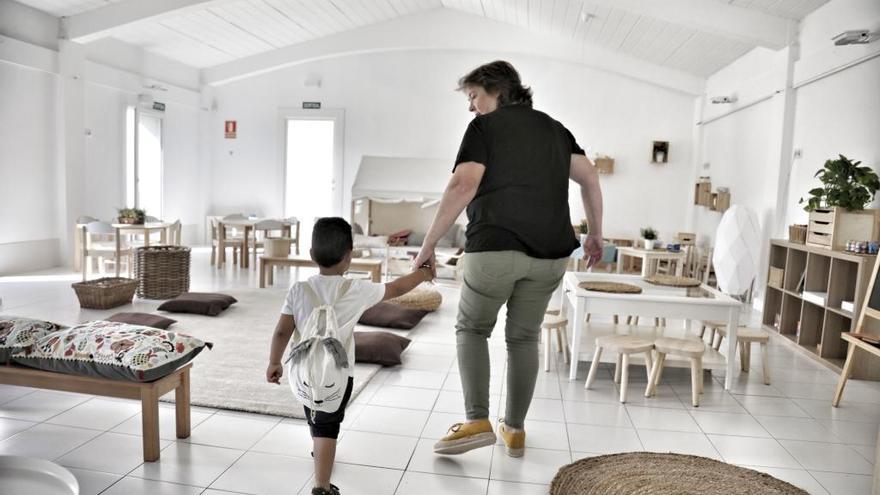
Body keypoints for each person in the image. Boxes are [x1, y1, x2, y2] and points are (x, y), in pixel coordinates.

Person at [413, 60, 603, 457]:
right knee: (523, 338)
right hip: (550, 256)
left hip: (495, 249)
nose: (471, 108)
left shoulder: (485, 128)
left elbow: (463, 184)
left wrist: (427, 245)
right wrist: (595, 235)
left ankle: (477, 421)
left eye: (473, 97)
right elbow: (589, 177)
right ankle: (514, 430)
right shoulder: (556, 129)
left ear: (496, 91)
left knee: (472, 329)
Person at [267, 217, 433, 495]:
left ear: (311, 255)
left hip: (303, 373)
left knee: (315, 414)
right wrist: (423, 274)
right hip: (338, 376)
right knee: (328, 428)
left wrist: (274, 361)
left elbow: (282, 332)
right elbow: (396, 289)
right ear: (349, 257)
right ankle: (321, 485)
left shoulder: (298, 290)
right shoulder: (357, 289)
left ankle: (318, 447)